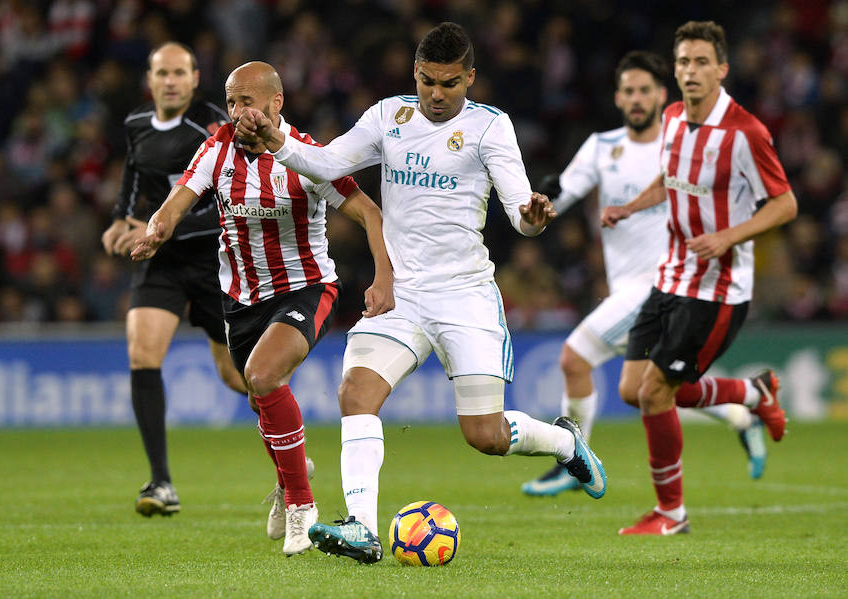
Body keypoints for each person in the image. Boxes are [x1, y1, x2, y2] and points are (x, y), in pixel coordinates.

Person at [239, 22, 607, 563]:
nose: (437, 95)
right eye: (428, 82)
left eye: (451, 84)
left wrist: (533, 218)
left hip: (465, 295)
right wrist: (277, 140)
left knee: (483, 434)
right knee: (355, 395)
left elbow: (520, 212)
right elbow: (330, 162)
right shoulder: (390, 116)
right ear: (416, 74)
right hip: (402, 293)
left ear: (470, 78)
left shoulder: (491, 128)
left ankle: (564, 442)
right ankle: (361, 527)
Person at [131, 61, 393, 555]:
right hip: (240, 299)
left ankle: (301, 503)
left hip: (306, 289)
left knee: (264, 376)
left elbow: (369, 214)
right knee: (260, 398)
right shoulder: (217, 148)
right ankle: (290, 470)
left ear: (276, 104)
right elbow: (179, 197)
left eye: (247, 101)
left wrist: (384, 277)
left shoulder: (310, 156)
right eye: (231, 101)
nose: (238, 111)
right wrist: (156, 230)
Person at [522, 50, 771, 498]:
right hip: (629, 289)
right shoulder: (601, 147)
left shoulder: (679, 142)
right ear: (618, 97)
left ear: (661, 95)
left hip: (666, 282)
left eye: (645, 91)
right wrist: (539, 207)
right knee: (644, 388)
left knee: (574, 358)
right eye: (628, 91)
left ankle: (572, 461)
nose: (636, 99)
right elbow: (565, 189)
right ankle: (744, 407)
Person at [102, 43, 315, 539]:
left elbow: (221, 200)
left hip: (214, 265)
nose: (171, 81)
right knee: (142, 352)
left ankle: (289, 460)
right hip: (160, 262)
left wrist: (159, 225)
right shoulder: (136, 124)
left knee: (237, 376)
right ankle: (160, 481)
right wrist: (122, 219)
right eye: (162, 73)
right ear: (151, 80)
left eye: (180, 73)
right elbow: (135, 177)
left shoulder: (220, 126)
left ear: (195, 78)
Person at [601, 21, 796, 535]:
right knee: (632, 390)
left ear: (722, 69)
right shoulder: (670, 117)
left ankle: (672, 514)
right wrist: (629, 206)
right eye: (683, 61)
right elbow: (670, 178)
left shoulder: (745, 133)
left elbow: (786, 203)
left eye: (701, 62)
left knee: (655, 393)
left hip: (717, 288)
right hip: (671, 276)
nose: (690, 71)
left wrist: (730, 236)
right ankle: (753, 394)